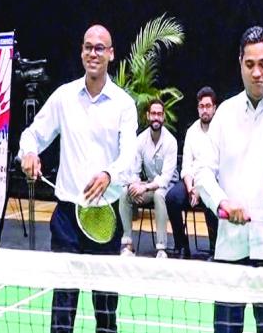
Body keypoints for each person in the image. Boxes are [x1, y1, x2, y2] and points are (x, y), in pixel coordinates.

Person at [19, 24, 137, 333]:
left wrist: (109, 173)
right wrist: (29, 153)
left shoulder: (124, 104)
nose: (93, 53)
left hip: (105, 218)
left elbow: (128, 156)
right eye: (88, 47)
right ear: (81, 52)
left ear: (111, 54)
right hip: (68, 217)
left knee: (106, 311)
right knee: (63, 308)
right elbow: (32, 134)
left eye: (100, 47)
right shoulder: (64, 97)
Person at [195, 26, 263, 333]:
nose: (257, 72)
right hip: (231, 246)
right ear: (240, 64)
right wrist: (222, 202)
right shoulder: (224, 114)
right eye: (250, 65)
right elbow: (203, 171)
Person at [166, 86, 220, 259]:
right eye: (201, 106)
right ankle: (182, 246)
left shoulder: (222, 131)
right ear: (198, 109)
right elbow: (187, 166)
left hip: (213, 181)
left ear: (214, 108)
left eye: (208, 106)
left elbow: (220, 166)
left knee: (211, 198)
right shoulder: (192, 132)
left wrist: (200, 189)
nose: (204, 110)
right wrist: (190, 189)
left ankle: (215, 250)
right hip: (193, 181)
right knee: (172, 198)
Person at [120, 98, 178, 258]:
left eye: (159, 114)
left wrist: (144, 187)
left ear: (164, 117)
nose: (156, 117)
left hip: (168, 186)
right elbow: (134, 171)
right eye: (153, 114)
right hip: (148, 185)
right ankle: (127, 244)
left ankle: (161, 248)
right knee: (125, 192)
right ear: (147, 116)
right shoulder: (140, 140)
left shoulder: (171, 142)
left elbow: (165, 179)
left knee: (159, 194)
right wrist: (135, 185)